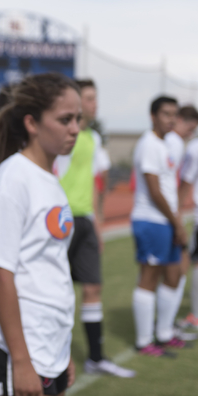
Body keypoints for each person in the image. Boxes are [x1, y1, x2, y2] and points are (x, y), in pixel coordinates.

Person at [0, 73, 80, 396]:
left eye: (77, 119)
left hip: (47, 347)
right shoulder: (13, 179)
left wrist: (61, 349)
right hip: (13, 351)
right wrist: (20, 361)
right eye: (64, 119)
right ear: (32, 123)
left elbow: (49, 268)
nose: (74, 128)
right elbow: (1, 274)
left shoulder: (49, 179)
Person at [53, 79, 135, 377]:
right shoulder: (60, 137)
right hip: (60, 221)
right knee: (56, 291)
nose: (94, 104)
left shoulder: (93, 139)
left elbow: (95, 183)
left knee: (93, 287)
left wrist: (97, 221)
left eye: (94, 99)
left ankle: (96, 358)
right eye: (88, 98)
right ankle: (50, 358)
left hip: (85, 221)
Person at [131, 95, 188, 356]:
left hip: (165, 220)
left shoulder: (167, 144)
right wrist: (177, 221)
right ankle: (144, 341)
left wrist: (175, 220)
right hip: (150, 220)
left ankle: (164, 333)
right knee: (150, 278)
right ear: (153, 116)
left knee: (174, 275)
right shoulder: (149, 144)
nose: (171, 119)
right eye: (166, 114)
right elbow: (154, 191)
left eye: (174, 114)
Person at [172, 105, 198, 331]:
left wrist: (177, 215)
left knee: (193, 263)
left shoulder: (194, 148)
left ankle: (196, 316)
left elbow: (186, 184)